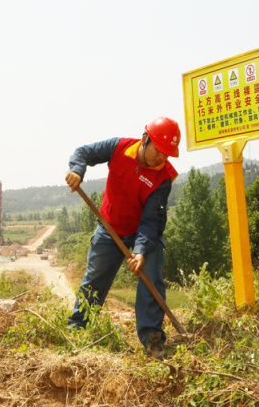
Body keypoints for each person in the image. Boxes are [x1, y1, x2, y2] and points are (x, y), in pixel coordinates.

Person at [64, 116, 180, 359]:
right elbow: (83, 152)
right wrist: (77, 169)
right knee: (94, 279)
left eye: (168, 154)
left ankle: (152, 339)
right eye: (159, 150)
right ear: (145, 139)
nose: (162, 158)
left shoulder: (164, 177)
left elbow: (151, 221)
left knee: (152, 277)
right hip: (110, 227)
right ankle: (78, 329)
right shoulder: (119, 147)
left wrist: (140, 250)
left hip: (142, 233)